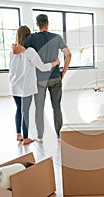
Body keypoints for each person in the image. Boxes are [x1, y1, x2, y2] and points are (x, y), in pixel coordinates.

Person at [23, 14, 71, 142]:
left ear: (37, 24)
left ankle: (40, 136)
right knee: (56, 107)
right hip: (55, 77)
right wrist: (64, 72)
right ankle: (59, 135)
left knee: (39, 108)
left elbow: (23, 54)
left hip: (39, 79)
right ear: (47, 23)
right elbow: (68, 54)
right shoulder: (56, 37)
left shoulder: (31, 38)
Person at [9, 25, 60, 145]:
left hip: (14, 84)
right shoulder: (30, 51)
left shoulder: (12, 50)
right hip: (25, 86)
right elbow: (42, 67)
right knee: (25, 111)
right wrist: (55, 63)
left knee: (18, 109)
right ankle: (26, 138)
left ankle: (19, 134)